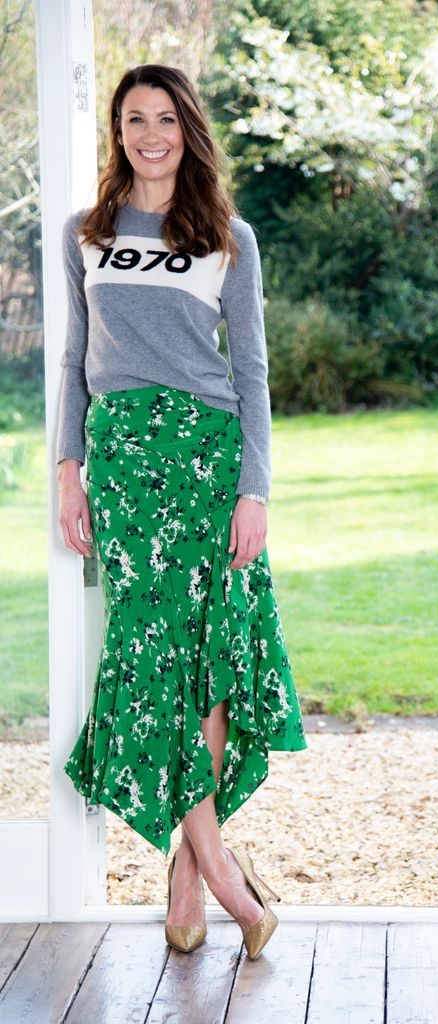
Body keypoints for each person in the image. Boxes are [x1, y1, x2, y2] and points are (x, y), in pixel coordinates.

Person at [56, 64, 308, 960]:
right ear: (118, 131)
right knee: (149, 649)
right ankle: (223, 875)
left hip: (207, 462)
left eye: (165, 119)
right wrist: (66, 466)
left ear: (187, 131)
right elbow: (74, 361)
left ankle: (193, 878)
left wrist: (256, 489)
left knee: (203, 652)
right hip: (124, 466)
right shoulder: (84, 236)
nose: (150, 134)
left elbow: (253, 375)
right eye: (134, 119)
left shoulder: (226, 240)